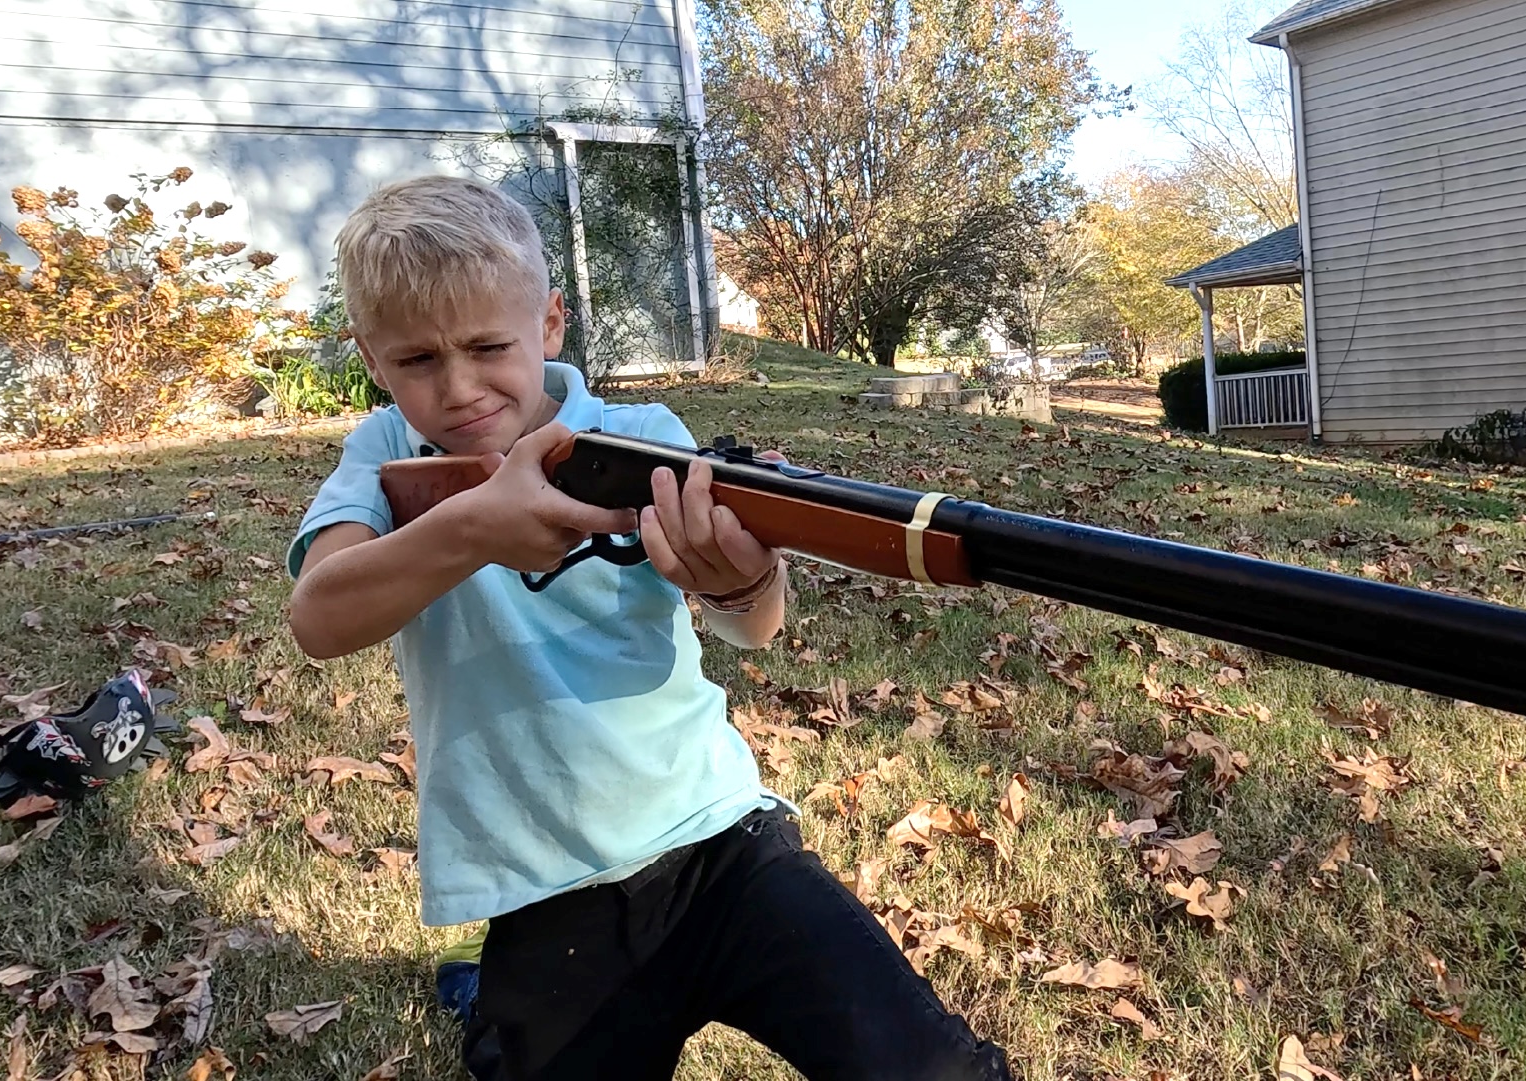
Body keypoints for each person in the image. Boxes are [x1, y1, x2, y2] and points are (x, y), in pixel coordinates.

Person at [286, 175, 1011, 1081]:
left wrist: (743, 579)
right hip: (546, 889)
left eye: (486, 346)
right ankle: (491, 1013)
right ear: (371, 356)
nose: (460, 387)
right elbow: (319, 616)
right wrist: (473, 527)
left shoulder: (641, 435)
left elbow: (756, 629)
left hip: (719, 842)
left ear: (549, 325)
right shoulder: (385, 452)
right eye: (418, 362)